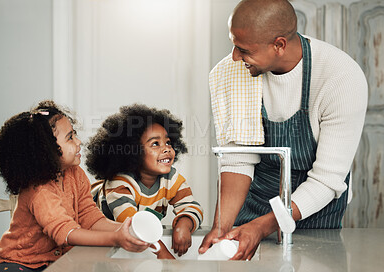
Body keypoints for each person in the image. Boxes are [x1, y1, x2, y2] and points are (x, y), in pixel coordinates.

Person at [199, 0, 368, 261]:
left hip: (316, 212)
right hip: (253, 206)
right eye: (233, 44)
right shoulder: (231, 71)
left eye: (243, 49)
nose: (234, 56)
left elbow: (327, 179)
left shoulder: (340, 77)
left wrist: (265, 225)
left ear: (279, 45)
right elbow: (238, 159)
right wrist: (222, 227)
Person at [0, 100, 149, 272]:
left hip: (54, 261)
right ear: (46, 151)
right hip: (19, 265)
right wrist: (116, 238)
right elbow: (66, 233)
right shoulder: (40, 191)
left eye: (74, 134)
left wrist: (127, 227)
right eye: (70, 137)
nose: (79, 141)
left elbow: (90, 217)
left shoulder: (75, 173)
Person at [85, 104, 204, 259]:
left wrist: (184, 225)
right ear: (133, 152)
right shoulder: (119, 185)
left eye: (168, 142)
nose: (166, 148)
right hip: (98, 239)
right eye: (155, 144)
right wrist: (163, 254)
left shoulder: (171, 179)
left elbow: (192, 206)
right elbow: (134, 226)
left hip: (132, 241)